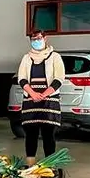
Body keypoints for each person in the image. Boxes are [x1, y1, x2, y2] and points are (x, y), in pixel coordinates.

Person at [16, 30, 65, 165]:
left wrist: (44, 94)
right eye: (33, 39)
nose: (36, 41)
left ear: (45, 38)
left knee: (48, 135)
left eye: (38, 38)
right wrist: (32, 93)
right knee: (30, 134)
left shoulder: (55, 57)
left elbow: (59, 79)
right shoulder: (26, 58)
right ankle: (31, 166)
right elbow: (22, 78)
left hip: (49, 102)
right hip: (31, 101)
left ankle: (49, 166)